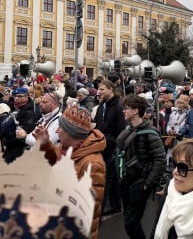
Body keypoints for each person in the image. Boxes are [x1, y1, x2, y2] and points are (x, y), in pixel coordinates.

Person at [33, 102, 106, 239]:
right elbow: (57, 161)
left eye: (61, 128)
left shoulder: (93, 164)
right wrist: (46, 145)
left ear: (73, 132)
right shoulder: (68, 149)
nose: (56, 131)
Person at [116, 94, 166, 239]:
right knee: (131, 221)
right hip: (127, 181)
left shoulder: (150, 134)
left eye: (126, 109)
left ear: (136, 111)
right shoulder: (129, 129)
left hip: (140, 183)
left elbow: (160, 160)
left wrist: (147, 184)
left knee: (131, 223)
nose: (123, 111)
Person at [93, 79, 125, 216]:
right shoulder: (102, 105)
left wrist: (112, 142)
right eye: (99, 89)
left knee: (107, 179)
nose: (99, 92)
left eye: (102, 89)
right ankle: (115, 204)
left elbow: (121, 130)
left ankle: (103, 208)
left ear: (111, 89)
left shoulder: (119, 106)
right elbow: (99, 124)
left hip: (112, 148)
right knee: (108, 179)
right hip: (102, 146)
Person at [0, 87, 36, 163]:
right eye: (15, 96)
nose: (16, 98)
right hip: (10, 147)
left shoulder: (29, 112)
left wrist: (8, 140)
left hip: (19, 149)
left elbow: (26, 131)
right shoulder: (15, 109)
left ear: (27, 97)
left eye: (20, 96)